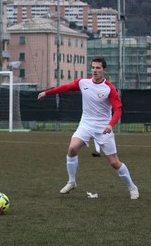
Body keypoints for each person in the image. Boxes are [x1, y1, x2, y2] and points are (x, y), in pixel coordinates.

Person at [37, 57, 139, 200]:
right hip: (86, 124)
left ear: (104, 70)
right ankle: (71, 182)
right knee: (72, 148)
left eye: (98, 68)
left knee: (114, 162)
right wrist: (47, 92)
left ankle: (132, 187)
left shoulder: (109, 88)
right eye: (93, 68)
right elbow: (65, 88)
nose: (95, 70)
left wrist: (110, 124)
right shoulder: (83, 82)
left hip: (103, 127)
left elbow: (118, 110)